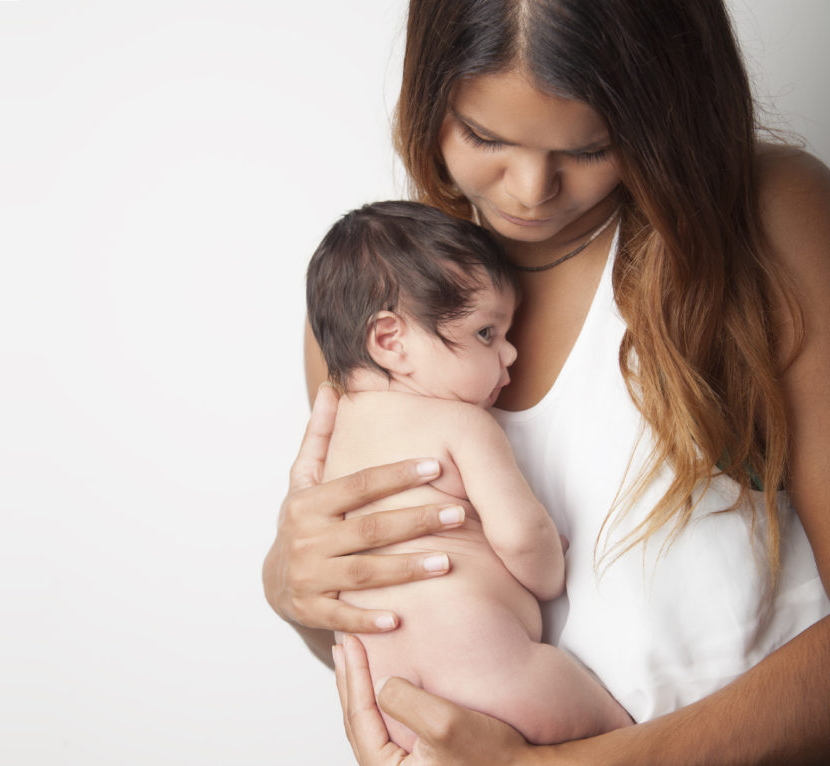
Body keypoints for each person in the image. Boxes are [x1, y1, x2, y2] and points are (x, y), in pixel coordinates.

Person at [263, 0, 830, 763]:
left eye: (592, 147)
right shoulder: (376, 306)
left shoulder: (764, 223)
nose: (530, 190)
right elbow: (411, 625)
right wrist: (296, 589)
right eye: (486, 136)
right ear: (430, 95)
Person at [306, 200, 632, 750]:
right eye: (486, 333)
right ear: (390, 340)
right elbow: (521, 536)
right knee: (626, 740)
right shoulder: (462, 423)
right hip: (504, 681)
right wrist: (549, 563)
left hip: (396, 713)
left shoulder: (332, 434)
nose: (509, 353)